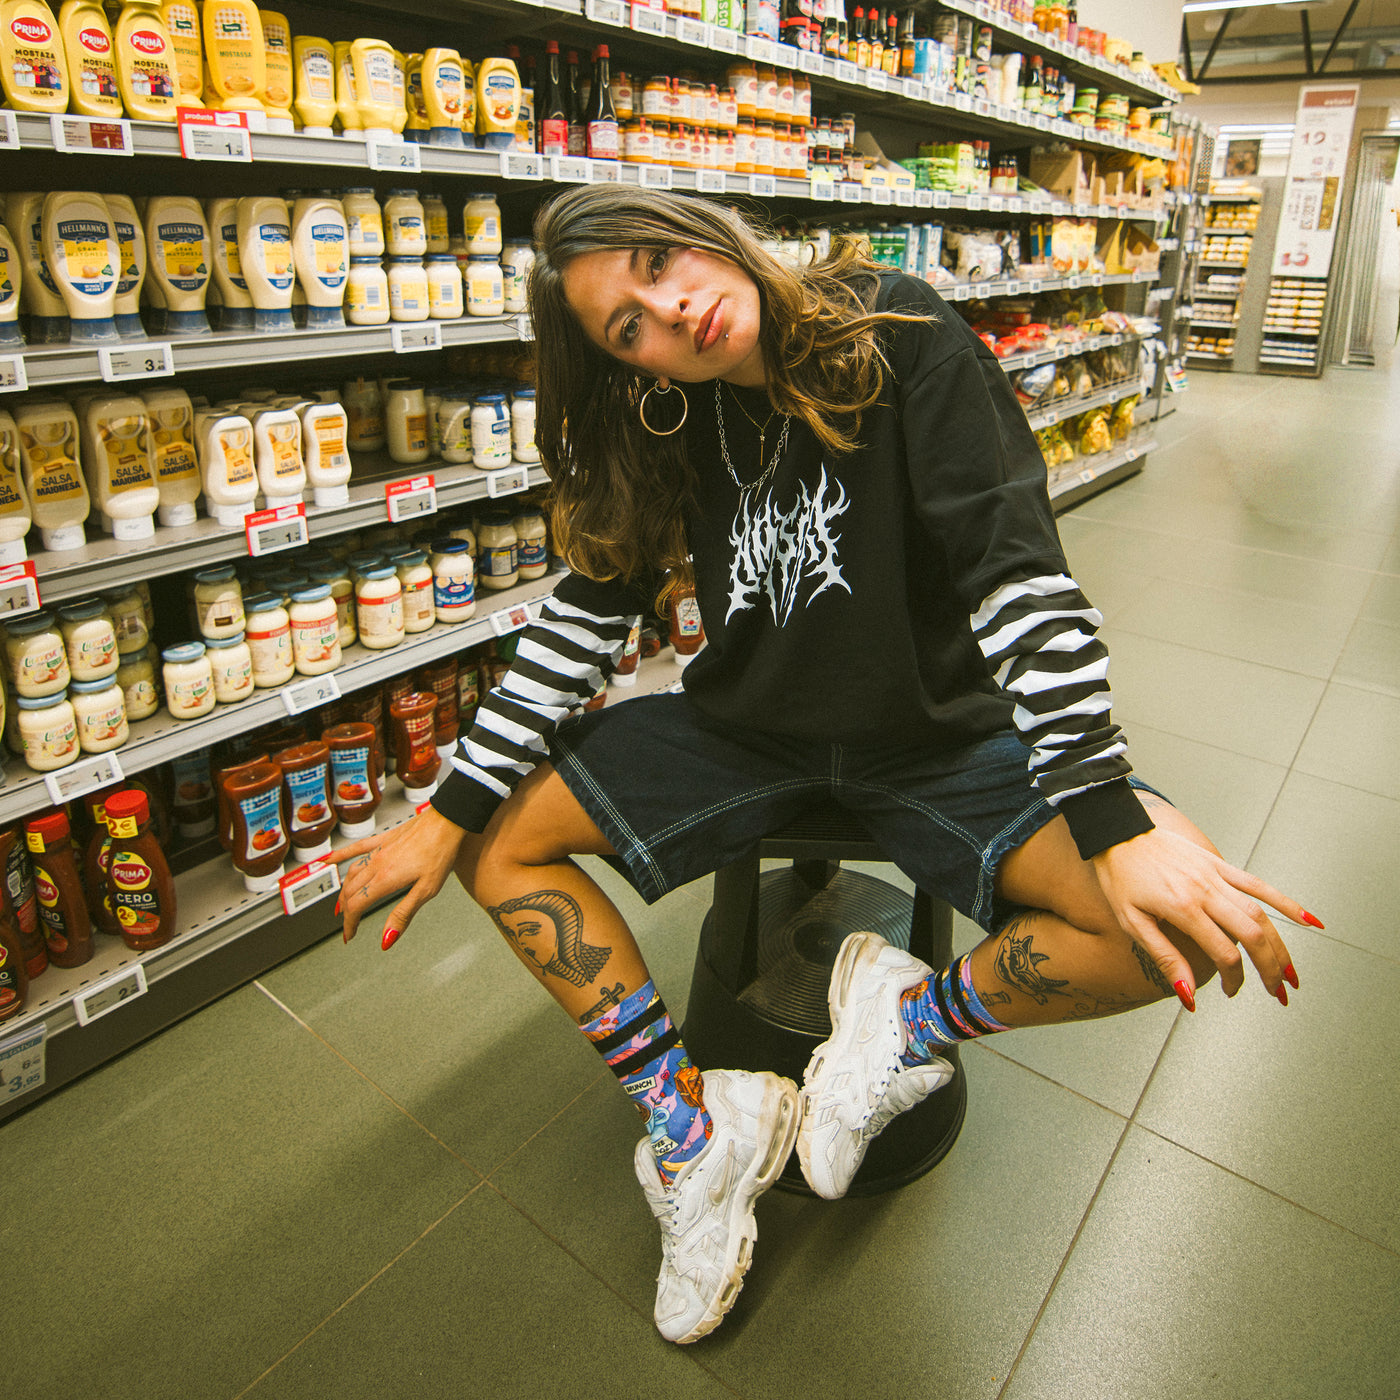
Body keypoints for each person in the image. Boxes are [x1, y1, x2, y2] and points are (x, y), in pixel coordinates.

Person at [329, 185, 1319, 1345]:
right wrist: (446, 807)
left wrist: (1110, 816)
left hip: (942, 734)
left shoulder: (898, 333)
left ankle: (908, 1022)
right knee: (494, 844)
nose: (670, 308)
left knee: (1177, 932)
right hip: (745, 729)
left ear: (697, 230)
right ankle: (695, 1133)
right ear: (627, 364)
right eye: (627, 326)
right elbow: (584, 614)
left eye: (656, 262)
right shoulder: (665, 419)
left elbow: (1013, 573)